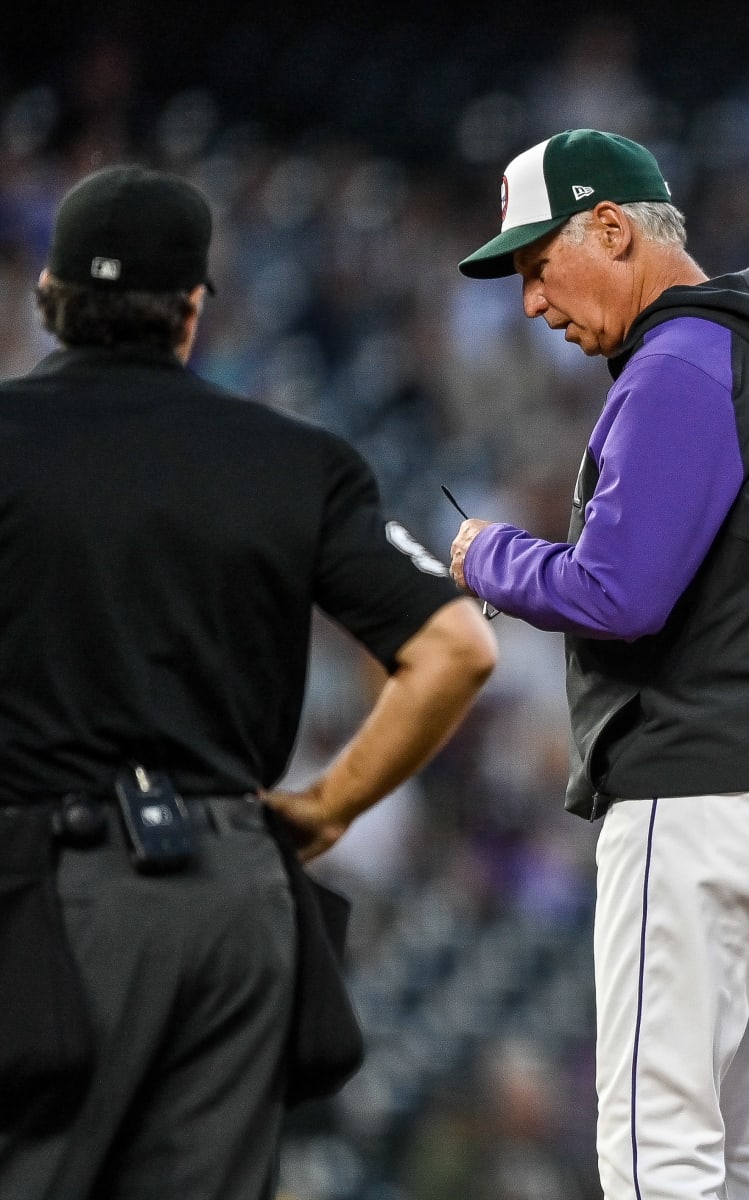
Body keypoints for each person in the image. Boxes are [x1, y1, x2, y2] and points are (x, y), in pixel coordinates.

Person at [0, 166, 497, 1198]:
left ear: (50, 299)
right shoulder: (294, 460)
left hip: (44, 891)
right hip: (233, 890)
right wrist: (327, 805)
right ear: (192, 310)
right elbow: (458, 649)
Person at [450, 129, 749, 1200]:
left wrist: (484, 554)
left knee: (659, 1152)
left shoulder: (680, 363)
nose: (533, 303)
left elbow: (618, 594)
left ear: (610, 227)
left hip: (708, 795)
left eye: (538, 265)